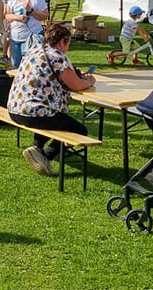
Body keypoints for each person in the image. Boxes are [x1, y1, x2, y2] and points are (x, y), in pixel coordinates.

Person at [7, 21, 96, 177]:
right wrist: (89, 81)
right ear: (62, 42)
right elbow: (76, 85)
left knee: (52, 115)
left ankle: (37, 149)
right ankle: (45, 157)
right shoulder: (58, 57)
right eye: (68, 44)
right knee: (79, 129)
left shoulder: (34, 50)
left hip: (15, 108)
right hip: (33, 112)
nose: (68, 48)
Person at [4, 0, 47, 67]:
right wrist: (18, 18)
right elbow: (7, 15)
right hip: (15, 38)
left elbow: (45, 15)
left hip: (31, 37)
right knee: (15, 64)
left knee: (30, 65)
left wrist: (31, 10)